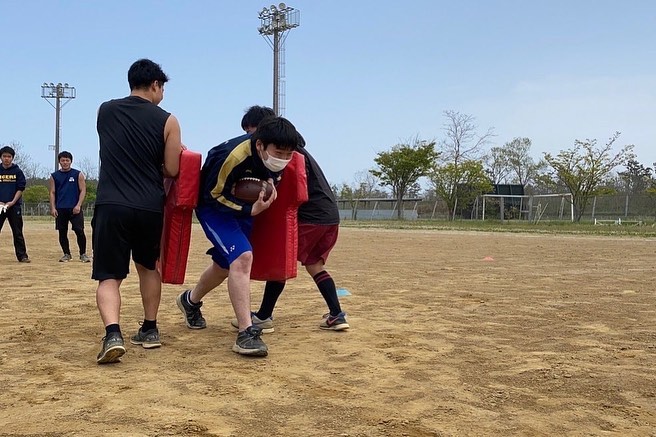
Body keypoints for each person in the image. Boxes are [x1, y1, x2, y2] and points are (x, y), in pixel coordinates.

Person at [176, 116, 299, 357]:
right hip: (214, 207)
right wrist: (248, 209)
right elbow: (213, 193)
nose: (283, 159)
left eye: (289, 154)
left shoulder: (277, 159)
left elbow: (273, 177)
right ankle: (246, 333)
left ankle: (189, 301)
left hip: (243, 209)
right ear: (261, 145)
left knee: (224, 265)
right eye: (279, 152)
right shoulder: (232, 156)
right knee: (242, 257)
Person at [93, 58, 182, 364]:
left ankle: (113, 333)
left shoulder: (105, 110)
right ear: (156, 85)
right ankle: (150, 328)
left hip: (111, 203)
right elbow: (172, 168)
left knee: (109, 276)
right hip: (148, 206)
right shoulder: (169, 120)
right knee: (148, 267)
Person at [233, 106, 349, 334]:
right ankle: (336, 314)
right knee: (314, 265)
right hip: (329, 217)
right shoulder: (297, 150)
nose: (249, 138)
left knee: (281, 261)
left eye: (251, 131)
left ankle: (264, 316)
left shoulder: (288, 157)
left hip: (311, 217)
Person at [49, 151, 91, 263]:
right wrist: (53, 207)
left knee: (79, 230)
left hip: (75, 208)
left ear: (71, 161)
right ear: (59, 162)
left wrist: (78, 205)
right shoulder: (54, 176)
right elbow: (52, 192)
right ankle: (66, 254)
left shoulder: (78, 174)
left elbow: (83, 190)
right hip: (61, 208)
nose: (65, 162)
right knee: (62, 232)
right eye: (63, 160)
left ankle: (83, 254)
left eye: (67, 160)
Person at [0, 145, 30, 263]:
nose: (7, 159)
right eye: (4, 156)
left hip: (14, 206)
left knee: (17, 232)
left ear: (12, 158)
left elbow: (20, 188)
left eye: (9, 156)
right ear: (1, 157)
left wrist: (12, 202)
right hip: (0, 206)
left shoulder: (17, 171)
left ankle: (22, 256)